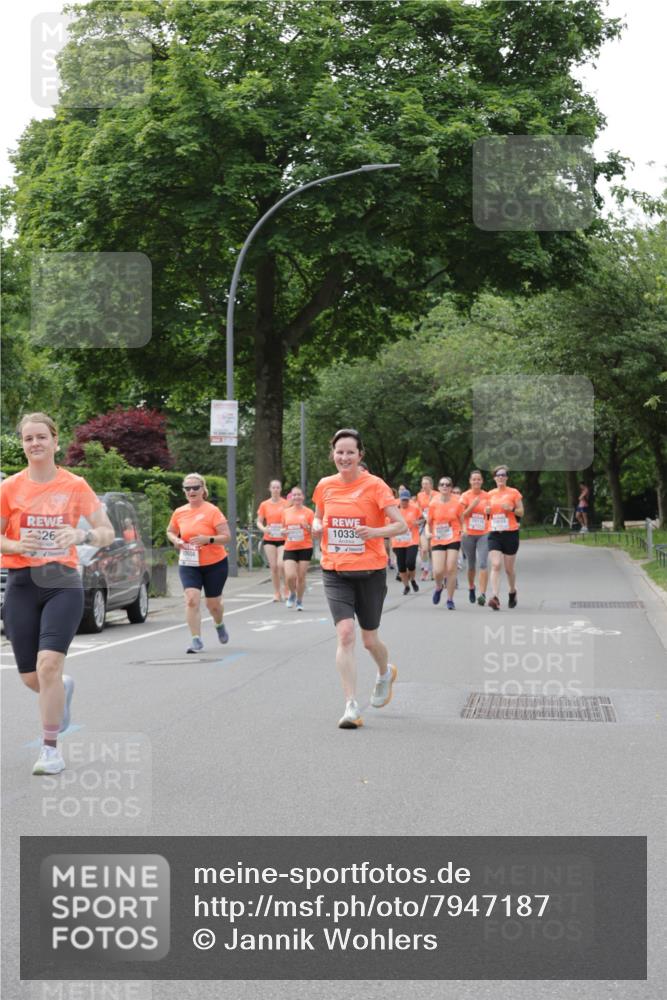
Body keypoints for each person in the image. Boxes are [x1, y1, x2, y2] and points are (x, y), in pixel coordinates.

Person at [0, 412, 115, 775]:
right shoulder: (10, 488)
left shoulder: (75, 485)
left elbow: (106, 531)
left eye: (41, 437)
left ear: (55, 441)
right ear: (23, 444)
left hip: (62, 582)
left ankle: (50, 750)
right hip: (21, 583)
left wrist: (81, 535)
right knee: (32, 677)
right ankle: (62, 688)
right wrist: (17, 543)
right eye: (28, 438)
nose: (34, 444)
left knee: (48, 664)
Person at [312, 428, 407, 729]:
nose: (344, 457)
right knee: (345, 634)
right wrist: (315, 525)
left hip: (370, 571)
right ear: (333, 455)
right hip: (335, 570)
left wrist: (374, 532)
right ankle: (351, 705)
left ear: (360, 455)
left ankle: (384, 673)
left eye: (350, 452)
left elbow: (401, 525)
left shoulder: (376, 486)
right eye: (339, 452)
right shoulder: (325, 486)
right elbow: (318, 515)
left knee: (368, 640)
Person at [166, 473, 231, 652]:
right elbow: (170, 531)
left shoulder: (212, 511)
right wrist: (176, 540)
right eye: (188, 488)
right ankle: (196, 639)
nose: (192, 491)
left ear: (203, 490)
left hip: (215, 563)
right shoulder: (179, 512)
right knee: (192, 600)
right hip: (189, 563)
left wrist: (207, 539)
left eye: (195, 487)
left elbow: (226, 537)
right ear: (184, 491)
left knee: (213, 605)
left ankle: (219, 624)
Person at [485, 466, 524, 610]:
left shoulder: (514, 492)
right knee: (495, 564)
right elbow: (486, 516)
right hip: (494, 533)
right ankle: (495, 597)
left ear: (507, 477)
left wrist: (512, 509)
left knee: (509, 569)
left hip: (510, 533)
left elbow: (521, 513)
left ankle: (512, 591)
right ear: (494, 478)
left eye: (503, 475)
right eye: (498, 475)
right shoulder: (489, 494)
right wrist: (487, 512)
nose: (500, 477)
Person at [426, 477, 463, 610]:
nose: (445, 486)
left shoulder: (457, 502)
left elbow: (462, 519)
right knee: (438, 570)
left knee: (451, 567)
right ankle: (438, 586)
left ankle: (450, 599)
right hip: (438, 538)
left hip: (453, 537)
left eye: (447, 484)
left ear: (451, 487)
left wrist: (463, 531)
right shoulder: (433, 503)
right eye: (442, 484)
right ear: (438, 487)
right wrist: (427, 532)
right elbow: (428, 523)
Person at [281, 486, 315, 610]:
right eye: (294, 495)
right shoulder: (286, 512)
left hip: (305, 547)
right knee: (290, 576)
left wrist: (308, 528)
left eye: (299, 495)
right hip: (290, 547)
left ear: (303, 497)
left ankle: (300, 601)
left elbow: (315, 533)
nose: (297, 497)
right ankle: (292, 593)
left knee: (301, 576)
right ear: (291, 497)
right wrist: (283, 532)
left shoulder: (309, 512)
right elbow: (282, 529)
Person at [460, 470, 490, 605]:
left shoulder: (487, 495)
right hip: (468, 534)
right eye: (474, 479)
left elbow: (491, 514)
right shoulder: (465, 496)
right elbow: (461, 515)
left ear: (482, 481)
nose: (476, 481)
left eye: (479, 479)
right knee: (471, 565)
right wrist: (473, 505)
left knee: (483, 563)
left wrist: (489, 512)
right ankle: (471, 587)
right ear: (470, 481)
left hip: (484, 533)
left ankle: (482, 594)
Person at [257, 479, 288, 602]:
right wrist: (263, 528)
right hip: (269, 538)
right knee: (274, 567)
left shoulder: (286, 504)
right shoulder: (264, 504)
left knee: (281, 565)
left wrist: (286, 529)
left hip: (282, 538)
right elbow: (259, 521)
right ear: (269, 489)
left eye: (278, 487)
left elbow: (291, 519)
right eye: (273, 487)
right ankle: (276, 592)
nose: (275, 490)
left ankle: (286, 588)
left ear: (280, 489)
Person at [391, 487, 421, 595]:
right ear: (399, 499)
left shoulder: (415, 508)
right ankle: (406, 586)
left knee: (410, 562)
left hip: (412, 540)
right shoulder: (394, 509)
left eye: (406, 500)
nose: (404, 502)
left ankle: (412, 579)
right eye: (402, 500)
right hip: (398, 542)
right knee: (402, 566)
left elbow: (423, 519)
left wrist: (418, 522)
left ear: (409, 500)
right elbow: (388, 521)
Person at [416, 476, 437, 580]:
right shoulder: (419, 495)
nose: (424, 486)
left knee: (433, 549)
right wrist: (421, 517)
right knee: (424, 549)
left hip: (435, 525)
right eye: (423, 484)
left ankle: (434, 570)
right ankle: (425, 569)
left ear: (431, 485)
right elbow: (419, 509)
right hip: (424, 524)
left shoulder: (437, 495)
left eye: (426, 484)